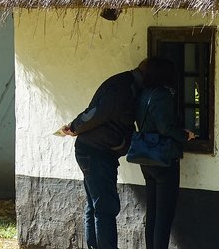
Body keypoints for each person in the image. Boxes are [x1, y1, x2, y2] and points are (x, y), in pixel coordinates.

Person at [60, 64, 143, 249]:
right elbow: (97, 114)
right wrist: (75, 126)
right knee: (104, 207)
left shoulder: (123, 83)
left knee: (95, 205)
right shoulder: (122, 88)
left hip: (92, 150)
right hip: (97, 152)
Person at [135, 57, 194, 249]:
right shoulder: (162, 95)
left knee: (152, 211)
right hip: (163, 158)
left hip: (146, 157)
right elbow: (165, 127)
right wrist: (185, 135)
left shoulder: (142, 93)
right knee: (164, 214)